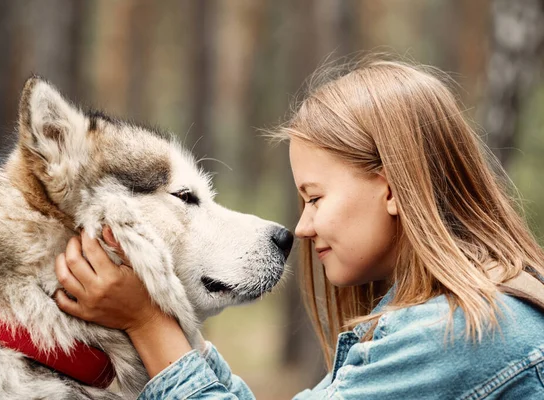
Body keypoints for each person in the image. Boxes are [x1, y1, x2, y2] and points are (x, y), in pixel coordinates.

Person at [54, 58, 544, 399]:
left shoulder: (458, 332)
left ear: (391, 188)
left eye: (314, 198)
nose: (302, 228)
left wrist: (147, 323)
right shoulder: (482, 309)